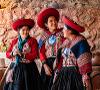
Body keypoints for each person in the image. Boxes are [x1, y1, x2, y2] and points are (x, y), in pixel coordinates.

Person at [51, 16, 92, 90]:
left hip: (75, 75)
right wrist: (57, 72)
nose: (62, 30)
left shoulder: (81, 42)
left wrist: (85, 76)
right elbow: (61, 59)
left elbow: (85, 60)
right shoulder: (66, 42)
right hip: (63, 74)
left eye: (64, 29)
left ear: (69, 31)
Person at [3, 18, 41, 90]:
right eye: (23, 30)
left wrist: (22, 54)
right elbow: (7, 54)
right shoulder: (14, 41)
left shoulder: (33, 41)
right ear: (19, 31)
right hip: (15, 67)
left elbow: (35, 55)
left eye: (27, 29)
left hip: (28, 69)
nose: (25, 32)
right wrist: (13, 53)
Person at [37, 7, 64, 90]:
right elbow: (41, 52)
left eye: (55, 20)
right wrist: (45, 66)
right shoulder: (44, 36)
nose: (54, 22)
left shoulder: (63, 33)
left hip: (60, 63)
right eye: (51, 21)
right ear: (46, 25)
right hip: (47, 65)